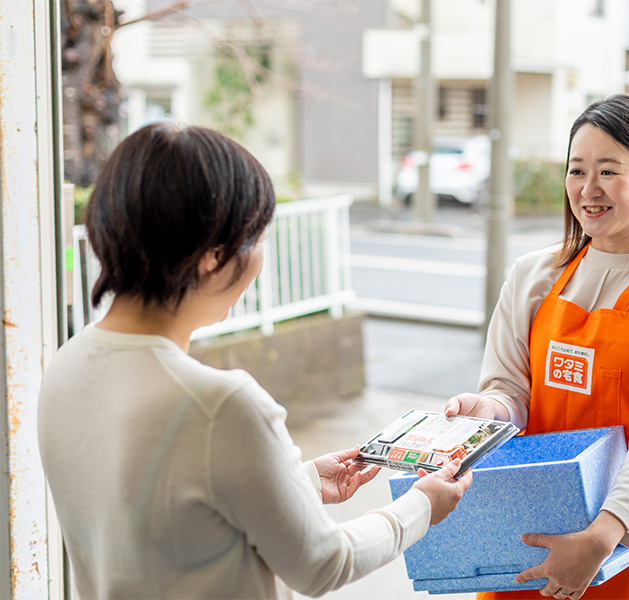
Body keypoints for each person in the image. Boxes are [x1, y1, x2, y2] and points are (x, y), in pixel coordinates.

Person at [38, 123, 472, 599]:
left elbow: (166, 521)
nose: (259, 256)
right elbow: (323, 565)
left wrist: (297, 483)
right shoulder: (219, 405)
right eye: (257, 236)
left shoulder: (64, 366)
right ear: (212, 256)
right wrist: (421, 506)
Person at [445, 94, 629, 600]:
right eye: (577, 171)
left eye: (608, 171)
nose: (588, 189)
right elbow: (511, 388)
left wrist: (603, 535)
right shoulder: (533, 276)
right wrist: (486, 409)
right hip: (535, 524)